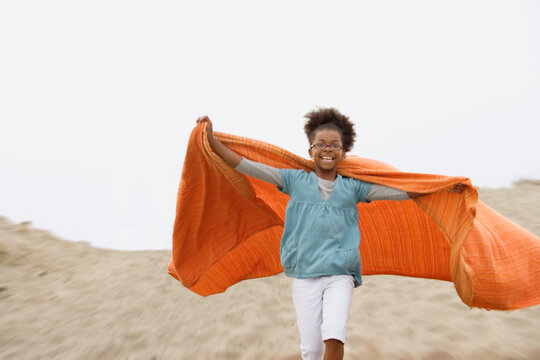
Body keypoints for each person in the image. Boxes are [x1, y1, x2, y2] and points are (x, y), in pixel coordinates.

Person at [196, 108, 458, 360]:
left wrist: (442, 188)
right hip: (304, 275)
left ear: (343, 152)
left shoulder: (353, 188)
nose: (327, 149)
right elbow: (247, 166)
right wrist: (211, 140)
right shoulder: (294, 180)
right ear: (311, 150)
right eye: (321, 144)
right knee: (311, 351)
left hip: (339, 275)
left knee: (334, 336)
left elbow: (400, 191)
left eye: (334, 145)